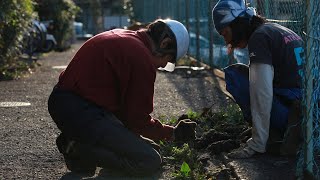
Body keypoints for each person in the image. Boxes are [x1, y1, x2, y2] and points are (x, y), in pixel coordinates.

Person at [48, 19, 197, 176]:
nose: (162, 66)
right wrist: (171, 133)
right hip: (82, 111)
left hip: (71, 104)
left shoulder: (128, 38)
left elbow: (126, 114)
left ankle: (78, 144)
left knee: (152, 148)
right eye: (167, 61)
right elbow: (137, 120)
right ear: (164, 44)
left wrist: (141, 139)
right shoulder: (141, 57)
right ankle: (75, 147)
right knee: (149, 160)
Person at [212, 0, 303, 158]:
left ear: (236, 24)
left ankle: (271, 136)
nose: (226, 41)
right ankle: (272, 131)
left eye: (225, 33)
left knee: (237, 76)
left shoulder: (259, 37)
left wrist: (256, 144)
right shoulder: (274, 29)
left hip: (293, 118)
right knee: (251, 75)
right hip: (308, 112)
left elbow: (262, 93)